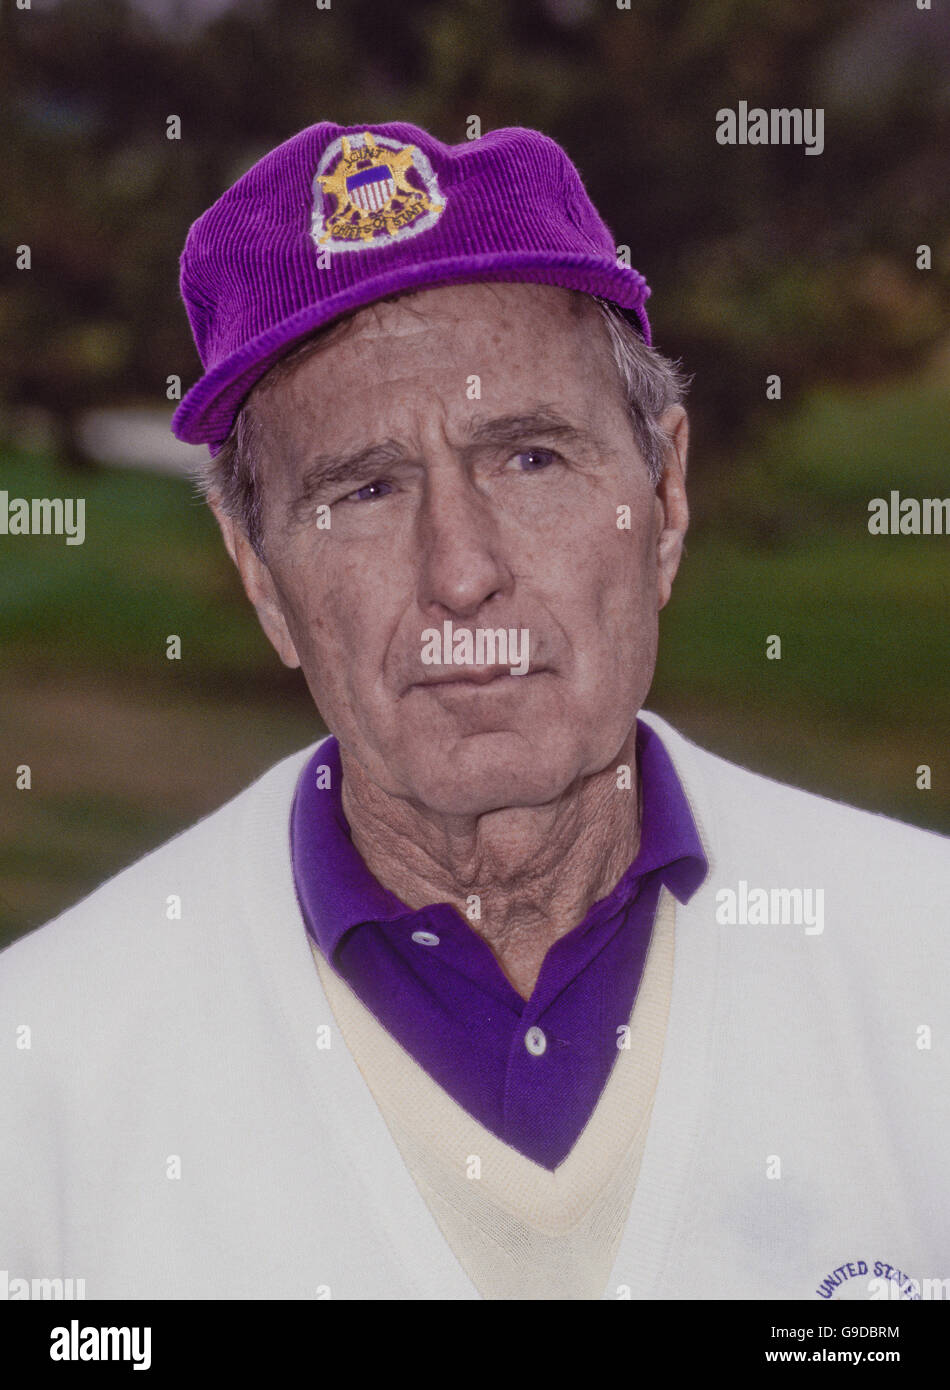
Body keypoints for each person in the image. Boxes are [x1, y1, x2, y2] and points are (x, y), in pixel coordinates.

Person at [1, 122, 947, 1302]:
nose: (459, 570)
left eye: (530, 460)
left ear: (662, 493)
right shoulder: (36, 1086)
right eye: (366, 487)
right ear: (259, 575)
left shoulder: (927, 967)